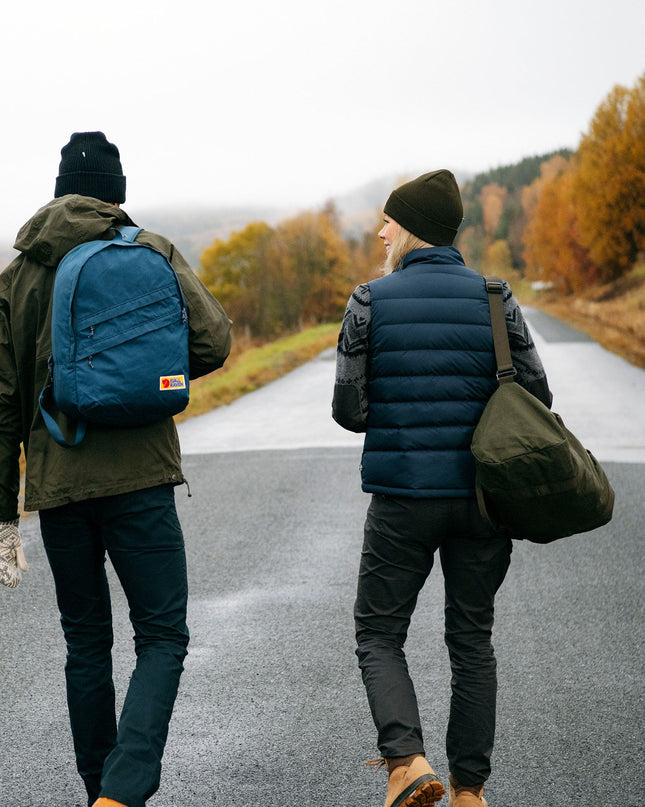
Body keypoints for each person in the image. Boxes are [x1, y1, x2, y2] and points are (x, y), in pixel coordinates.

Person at [0, 132, 232, 807]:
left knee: (85, 643)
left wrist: (4, 515)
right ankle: (123, 791)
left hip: (58, 486)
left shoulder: (16, 278)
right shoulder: (149, 249)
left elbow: (5, 407)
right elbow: (214, 341)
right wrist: (146, 375)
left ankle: (99, 790)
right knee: (161, 634)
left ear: (58, 192)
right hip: (141, 477)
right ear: (116, 194)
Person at [332, 170, 552, 807]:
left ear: (411, 231)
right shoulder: (496, 298)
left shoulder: (369, 301)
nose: (380, 232)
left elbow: (349, 409)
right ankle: (469, 792)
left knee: (379, 633)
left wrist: (401, 411)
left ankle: (406, 763)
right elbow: (536, 395)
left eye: (388, 221)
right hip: (483, 502)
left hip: (402, 499)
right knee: (472, 639)